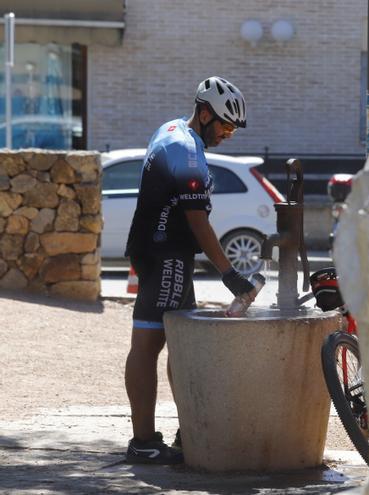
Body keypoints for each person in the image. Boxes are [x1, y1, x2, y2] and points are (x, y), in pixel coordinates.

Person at [123, 77, 258, 464]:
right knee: (148, 347)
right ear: (204, 114)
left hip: (157, 251)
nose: (229, 135)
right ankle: (145, 442)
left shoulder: (171, 129)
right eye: (225, 126)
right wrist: (230, 275)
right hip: (166, 255)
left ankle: (187, 432)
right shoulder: (187, 150)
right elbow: (198, 221)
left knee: (181, 346)